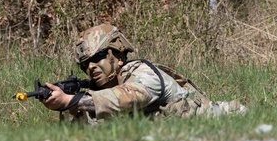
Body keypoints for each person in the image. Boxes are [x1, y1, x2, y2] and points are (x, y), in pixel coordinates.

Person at [39, 23, 244, 121]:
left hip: (224, 121)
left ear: (117, 56)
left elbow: (128, 98)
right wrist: (73, 110)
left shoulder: (143, 73)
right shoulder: (105, 89)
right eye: (85, 64)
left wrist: (70, 101)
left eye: (97, 58)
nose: (90, 67)